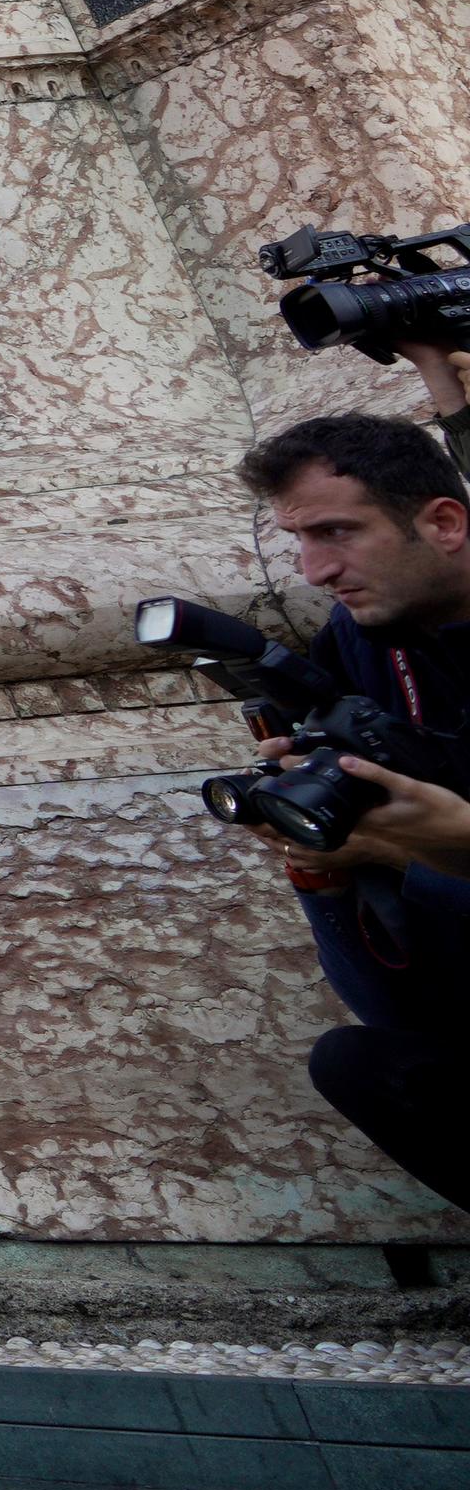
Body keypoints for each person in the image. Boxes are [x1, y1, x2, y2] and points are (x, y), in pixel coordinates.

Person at [231, 406, 470, 1212]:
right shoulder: (365, 641)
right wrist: (320, 866)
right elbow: (397, 1007)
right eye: (299, 541)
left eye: (336, 532)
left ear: (443, 522)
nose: (314, 571)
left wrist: (423, 852)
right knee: (363, 1062)